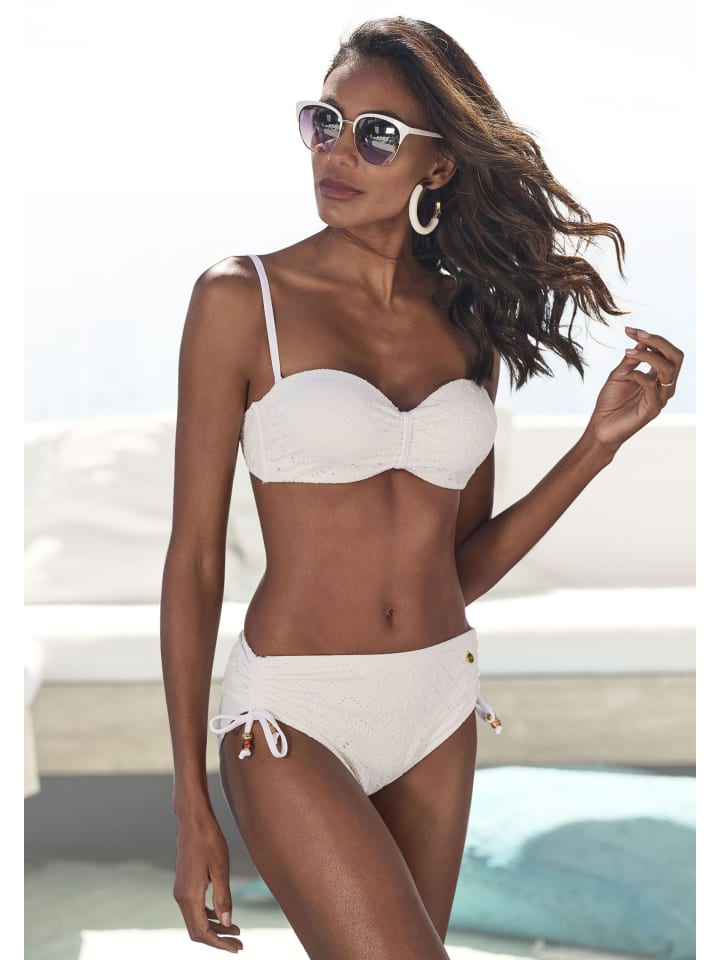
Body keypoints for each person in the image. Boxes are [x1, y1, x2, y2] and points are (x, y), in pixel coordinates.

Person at [160, 16, 683, 959]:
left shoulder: (470, 325)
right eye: (324, 122)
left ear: (437, 165)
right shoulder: (242, 298)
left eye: (377, 135)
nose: (337, 153)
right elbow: (195, 559)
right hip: (292, 713)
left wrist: (595, 447)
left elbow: (457, 567)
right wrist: (188, 798)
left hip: (439, 703)